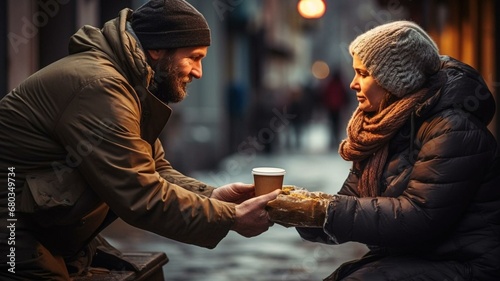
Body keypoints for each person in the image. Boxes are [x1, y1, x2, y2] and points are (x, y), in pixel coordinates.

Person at [0, 0, 279, 280]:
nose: (198, 72)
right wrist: (230, 218)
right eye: (193, 57)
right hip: (13, 232)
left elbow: (154, 169)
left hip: (49, 230)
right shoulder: (101, 87)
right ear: (157, 49)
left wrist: (212, 196)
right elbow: (140, 192)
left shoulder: (128, 83)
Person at [294, 21, 500, 280]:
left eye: (363, 73)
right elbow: (351, 199)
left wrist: (324, 211)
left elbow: (419, 218)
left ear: (396, 81)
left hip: (466, 263)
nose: (352, 84)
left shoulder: (452, 129)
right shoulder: (382, 129)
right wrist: (290, 209)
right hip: (418, 256)